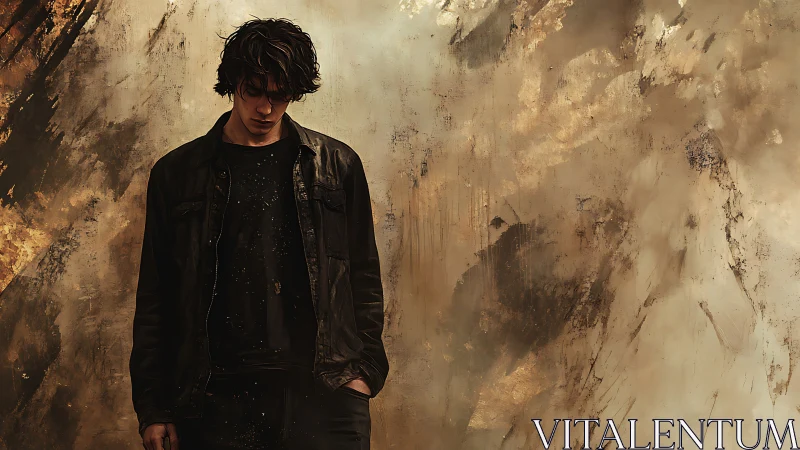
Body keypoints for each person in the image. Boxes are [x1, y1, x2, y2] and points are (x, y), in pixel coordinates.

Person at [129, 18, 389, 450]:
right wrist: (154, 408)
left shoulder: (336, 166)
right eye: (253, 90)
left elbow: (363, 277)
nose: (265, 108)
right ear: (232, 82)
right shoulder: (178, 174)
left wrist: (364, 374)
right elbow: (156, 296)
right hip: (215, 401)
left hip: (324, 396)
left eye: (279, 95)